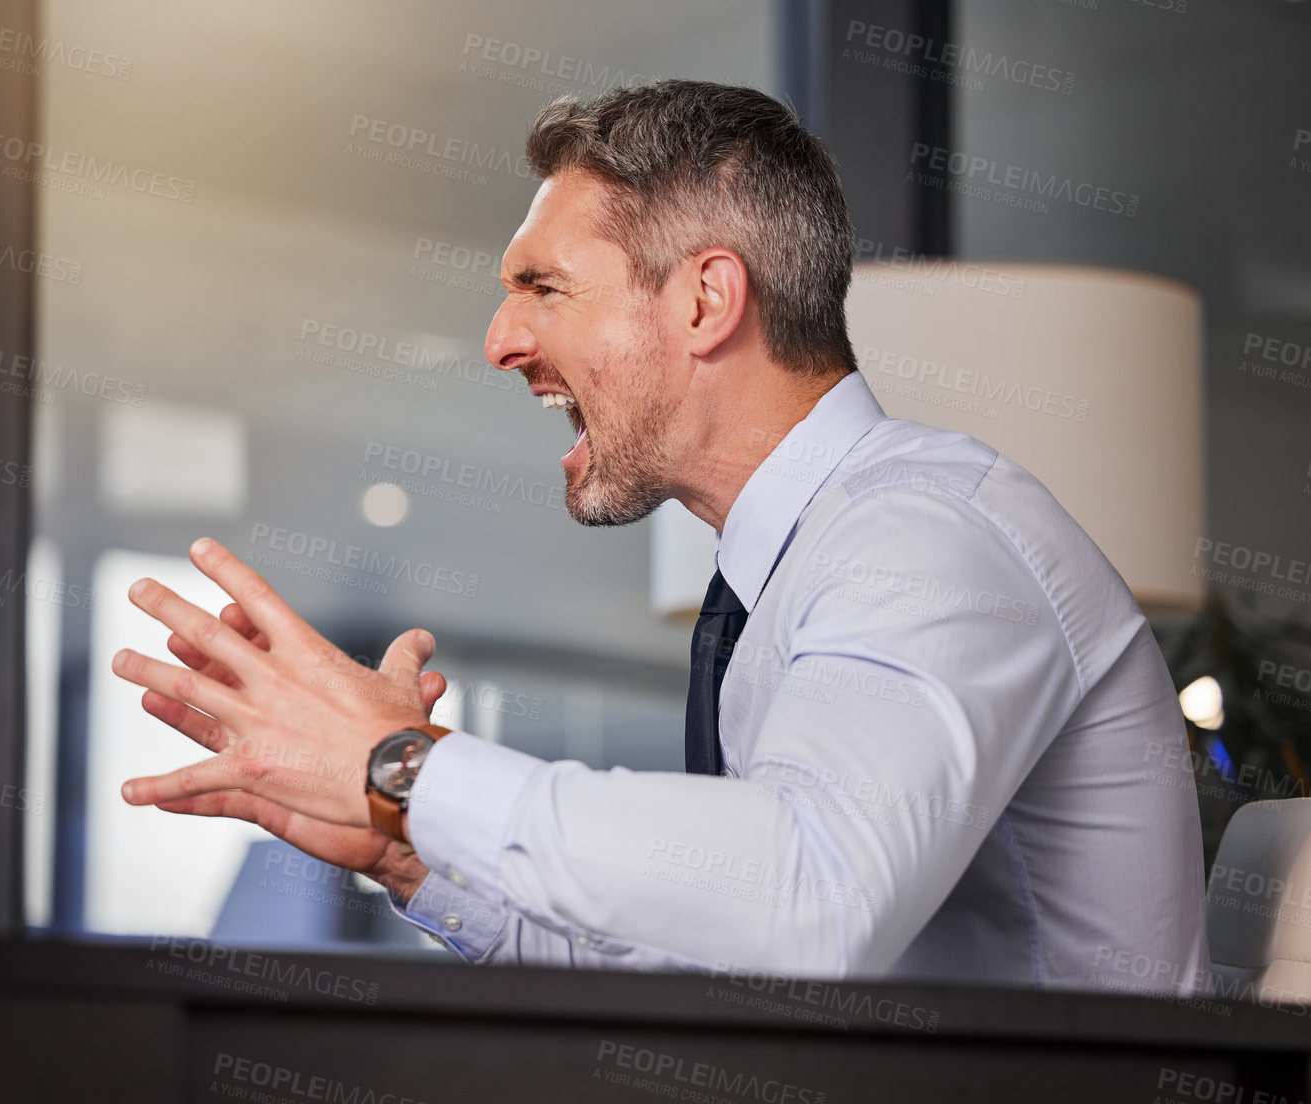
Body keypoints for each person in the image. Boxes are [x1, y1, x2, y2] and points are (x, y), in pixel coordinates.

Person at [111, 80, 1209, 990]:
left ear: (702, 303)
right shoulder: (780, 580)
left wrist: (404, 766)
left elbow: (811, 902)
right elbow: (725, 955)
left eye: (543, 286)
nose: (500, 339)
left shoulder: (926, 538)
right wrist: (410, 853)